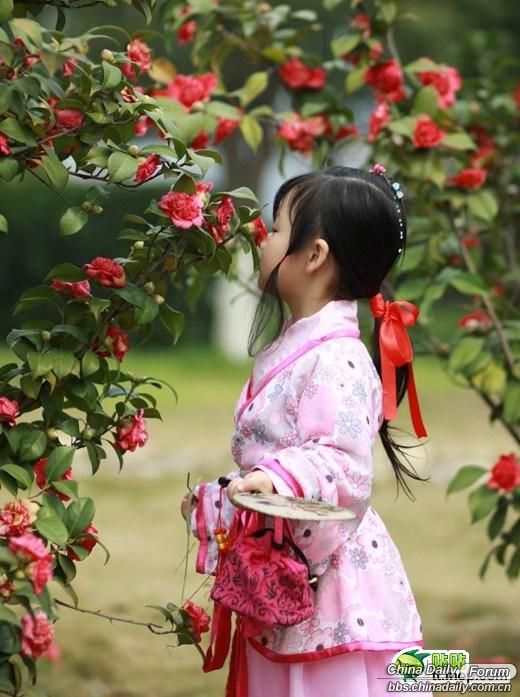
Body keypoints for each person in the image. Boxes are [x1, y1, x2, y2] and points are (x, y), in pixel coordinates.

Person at [180, 164, 433, 697]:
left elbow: (340, 464)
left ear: (314, 255)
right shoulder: (303, 348)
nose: (263, 239)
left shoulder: (337, 358)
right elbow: (281, 461)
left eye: (276, 229)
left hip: (334, 595)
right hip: (294, 583)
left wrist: (275, 479)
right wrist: (228, 497)